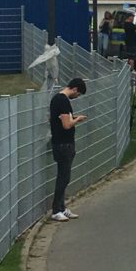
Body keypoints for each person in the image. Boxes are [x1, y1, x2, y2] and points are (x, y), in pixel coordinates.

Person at [49, 78, 88, 222]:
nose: (76, 97)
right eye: (78, 94)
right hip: (63, 144)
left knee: (65, 177)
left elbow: (59, 119)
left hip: (63, 143)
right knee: (63, 177)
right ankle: (56, 210)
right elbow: (66, 125)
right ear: (75, 89)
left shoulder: (58, 100)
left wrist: (75, 117)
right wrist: (76, 120)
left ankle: (62, 207)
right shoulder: (63, 101)